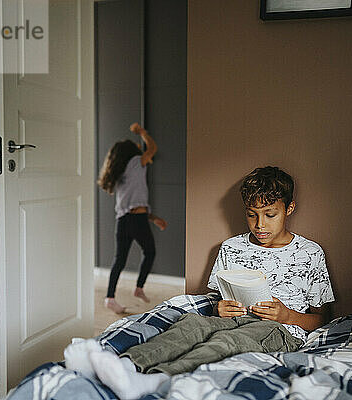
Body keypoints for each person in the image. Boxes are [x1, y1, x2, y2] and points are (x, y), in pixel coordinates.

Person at [69, 166, 334, 399]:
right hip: (233, 318)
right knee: (190, 325)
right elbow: (221, 296)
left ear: (289, 209)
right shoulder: (232, 247)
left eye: (269, 214)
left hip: (278, 330)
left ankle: (152, 381)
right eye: (252, 214)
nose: (259, 224)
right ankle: (124, 366)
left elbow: (321, 319)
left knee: (227, 342)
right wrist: (221, 308)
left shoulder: (310, 253)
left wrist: (286, 316)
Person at [97, 123, 168, 314]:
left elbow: (132, 203)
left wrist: (153, 218)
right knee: (150, 251)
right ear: (132, 153)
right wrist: (142, 133)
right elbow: (152, 149)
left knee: (119, 260)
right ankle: (139, 287)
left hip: (123, 222)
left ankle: (110, 298)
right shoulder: (136, 162)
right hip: (136, 221)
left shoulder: (119, 174)